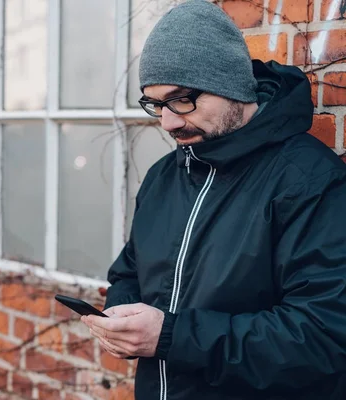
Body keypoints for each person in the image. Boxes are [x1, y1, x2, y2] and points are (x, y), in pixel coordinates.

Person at [80, 1, 346, 399]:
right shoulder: (164, 176)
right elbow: (129, 272)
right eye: (156, 104)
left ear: (231, 85)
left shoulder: (308, 180)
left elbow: (323, 336)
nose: (168, 121)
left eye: (182, 99)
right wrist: (123, 317)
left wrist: (170, 336)